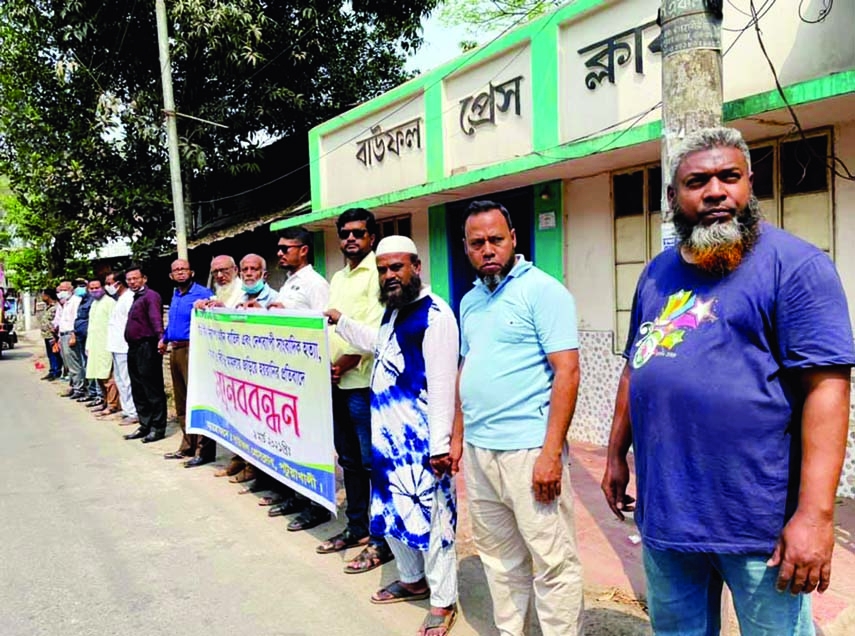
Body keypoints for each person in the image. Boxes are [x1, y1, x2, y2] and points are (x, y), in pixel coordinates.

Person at [601, 127, 855, 636]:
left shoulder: (796, 266)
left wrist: (815, 515)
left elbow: (828, 389)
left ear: (749, 183)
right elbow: (638, 366)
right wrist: (614, 455)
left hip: (759, 526)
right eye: (698, 181)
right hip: (668, 518)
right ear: (673, 197)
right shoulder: (655, 274)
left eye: (729, 177)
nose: (716, 191)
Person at [450, 200, 584, 636]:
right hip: (480, 452)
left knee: (552, 560)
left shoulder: (543, 291)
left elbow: (568, 370)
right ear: (466, 249)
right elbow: (465, 370)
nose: (487, 249)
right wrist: (457, 438)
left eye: (495, 239)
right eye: (477, 243)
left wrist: (550, 454)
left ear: (513, 239)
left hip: (529, 452)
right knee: (498, 557)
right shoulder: (469, 301)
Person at [327, 235, 459, 636]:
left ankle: (442, 600)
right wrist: (342, 322)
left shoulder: (435, 315)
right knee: (392, 515)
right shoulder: (394, 312)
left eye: (397, 267)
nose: (389, 276)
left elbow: (441, 384)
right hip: (389, 442)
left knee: (435, 522)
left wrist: (440, 445)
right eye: (383, 269)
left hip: (421, 444)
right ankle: (412, 579)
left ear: (416, 267)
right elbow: (379, 346)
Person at [315, 208, 392, 575]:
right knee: (348, 461)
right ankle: (357, 527)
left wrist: (344, 363)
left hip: (362, 383)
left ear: (371, 237)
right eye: (345, 233)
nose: (350, 239)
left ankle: (382, 539)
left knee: (369, 462)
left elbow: (375, 329)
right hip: (335, 383)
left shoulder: (379, 273)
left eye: (358, 233)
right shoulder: (338, 277)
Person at [263, 228, 333, 531]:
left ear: (303, 250)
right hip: (289, 376)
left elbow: (323, 327)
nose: (279, 253)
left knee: (313, 441)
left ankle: (317, 505)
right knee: (293, 439)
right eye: (278, 249)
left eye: (285, 248)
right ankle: (298, 494)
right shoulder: (289, 283)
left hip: (309, 378)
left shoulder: (315, 284)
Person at [159, 259, 215, 467]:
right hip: (175, 349)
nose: (180, 273)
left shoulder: (203, 294)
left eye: (183, 269)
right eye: (176, 270)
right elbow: (173, 323)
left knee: (197, 398)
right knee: (181, 400)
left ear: (191, 272)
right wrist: (163, 339)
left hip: (193, 349)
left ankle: (204, 449)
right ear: (171, 276)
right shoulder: (176, 294)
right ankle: (187, 444)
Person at [123, 265, 168, 443]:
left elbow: (156, 318)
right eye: (129, 279)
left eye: (135, 278)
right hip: (133, 348)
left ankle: (158, 427)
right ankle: (145, 424)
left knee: (152, 388)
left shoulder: (151, 296)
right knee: (138, 388)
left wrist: (160, 338)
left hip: (147, 346)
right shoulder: (135, 297)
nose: (132, 282)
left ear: (144, 279)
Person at [105, 272, 139, 426]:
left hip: (124, 346)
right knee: (119, 379)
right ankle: (127, 410)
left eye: (109, 283)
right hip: (116, 345)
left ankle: (133, 412)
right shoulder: (119, 299)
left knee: (127, 380)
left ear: (118, 283)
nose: (108, 286)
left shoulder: (129, 298)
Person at [84, 278, 118, 414]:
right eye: (91, 288)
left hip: (106, 344)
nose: (94, 290)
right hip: (94, 345)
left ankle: (112, 404)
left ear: (102, 287)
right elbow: (91, 326)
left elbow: (114, 325)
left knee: (107, 377)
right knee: (97, 375)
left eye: (96, 287)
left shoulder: (110, 303)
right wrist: (88, 346)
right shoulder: (94, 304)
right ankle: (105, 401)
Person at [56, 279, 86, 399]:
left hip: (71, 334)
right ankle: (74, 386)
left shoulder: (76, 301)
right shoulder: (65, 303)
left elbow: (75, 320)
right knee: (68, 363)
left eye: (64, 290)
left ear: (71, 290)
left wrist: (73, 335)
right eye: (60, 290)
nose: (61, 292)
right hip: (63, 335)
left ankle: (80, 388)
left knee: (75, 362)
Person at [40, 288, 63, 381]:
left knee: (55, 354)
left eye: (43, 295)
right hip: (46, 335)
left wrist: (55, 335)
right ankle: (52, 370)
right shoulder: (48, 307)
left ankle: (56, 372)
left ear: (47, 296)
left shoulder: (55, 307)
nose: (42, 297)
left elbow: (56, 321)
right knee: (50, 354)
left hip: (53, 335)